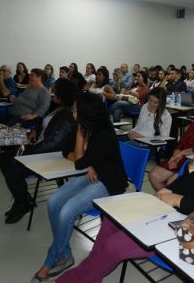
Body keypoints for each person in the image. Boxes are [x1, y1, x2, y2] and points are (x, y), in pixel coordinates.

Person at [56, 103, 194, 283]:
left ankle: (78, 278)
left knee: (114, 246)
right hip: (172, 213)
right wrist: (169, 190)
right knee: (111, 221)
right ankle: (89, 275)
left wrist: (178, 199)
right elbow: (188, 182)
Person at [31, 92, 128, 282]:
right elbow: (67, 151)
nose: (72, 113)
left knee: (67, 211)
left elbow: (77, 163)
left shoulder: (103, 134)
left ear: (86, 113)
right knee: (53, 202)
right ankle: (65, 254)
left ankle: (51, 260)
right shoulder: (88, 126)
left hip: (110, 183)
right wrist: (88, 162)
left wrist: (81, 142)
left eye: (75, 110)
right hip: (93, 174)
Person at [0, 80, 77, 224]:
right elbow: (48, 126)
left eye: (55, 91)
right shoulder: (59, 108)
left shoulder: (67, 115)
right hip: (42, 148)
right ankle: (22, 198)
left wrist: (28, 153)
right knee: (4, 158)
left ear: (62, 94)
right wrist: (37, 130)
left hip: (52, 155)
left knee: (13, 170)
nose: (52, 93)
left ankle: (23, 204)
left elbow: (52, 144)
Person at [148, 97, 194, 191]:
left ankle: (170, 200)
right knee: (154, 175)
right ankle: (166, 199)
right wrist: (174, 158)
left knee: (171, 183)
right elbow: (182, 141)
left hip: (193, 160)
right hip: (180, 157)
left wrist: (180, 154)